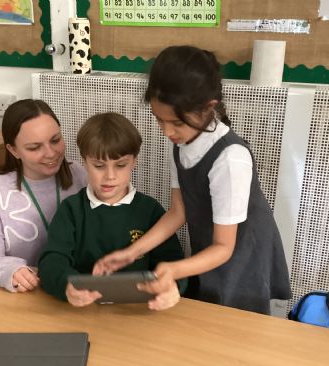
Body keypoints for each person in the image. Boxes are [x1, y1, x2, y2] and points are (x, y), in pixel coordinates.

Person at [93, 45, 291, 314]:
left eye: (176, 123)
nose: (167, 131)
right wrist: (133, 251)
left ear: (208, 107)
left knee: (235, 323)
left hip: (244, 260)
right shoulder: (182, 144)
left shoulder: (230, 159)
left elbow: (224, 247)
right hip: (213, 250)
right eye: (159, 120)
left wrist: (173, 269)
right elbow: (178, 212)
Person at [38, 112, 186, 310]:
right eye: (99, 166)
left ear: (134, 161)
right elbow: (52, 261)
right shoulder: (71, 210)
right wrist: (67, 286)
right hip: (84, 310)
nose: (109, 176)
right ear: (84, 162)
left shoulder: (150, 210)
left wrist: (173, 287)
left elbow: (174, 263)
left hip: (140, 312)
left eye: (120, 165)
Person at [0, 99, 87, 293]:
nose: (50, 153)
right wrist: (11, 271)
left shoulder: (82, 176)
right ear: (13, 150)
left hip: (78, 289)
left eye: (55, 140)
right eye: (35, 147)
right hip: (27, 294)